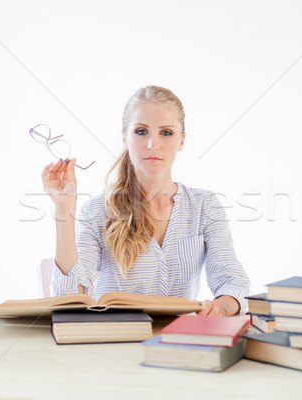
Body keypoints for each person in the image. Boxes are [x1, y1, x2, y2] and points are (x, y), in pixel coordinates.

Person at [41, 85, 251, 316]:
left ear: (181, 140)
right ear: (124, 137)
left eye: (166, 132)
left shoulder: (205, 206)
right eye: (141, 131)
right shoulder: (96, 211)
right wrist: (64, 209)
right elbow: (69, 298)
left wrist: (220, 307)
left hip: (179, 341)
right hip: (116, 342)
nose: (153, 144)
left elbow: (233, 282)